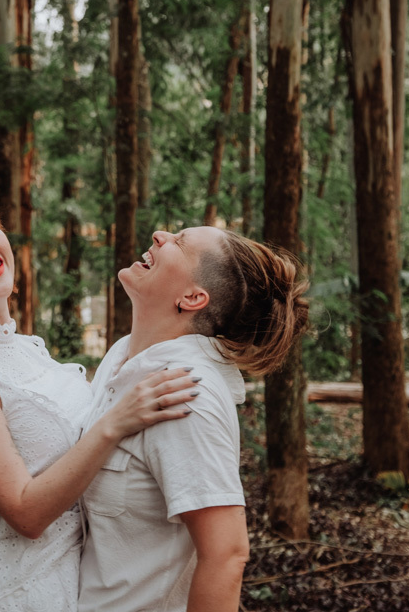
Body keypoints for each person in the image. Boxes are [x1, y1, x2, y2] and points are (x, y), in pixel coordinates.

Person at [0, 185, 201, 612]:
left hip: (83, 587)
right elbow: (25, 514)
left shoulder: (27, 351)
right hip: (7, 597)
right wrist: (116, 421)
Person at [78, 226, 309, 612]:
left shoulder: (187, 393)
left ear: (192, 297)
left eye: (179, 242)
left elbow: (227, 555)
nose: (158, 235)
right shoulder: (123, 359)